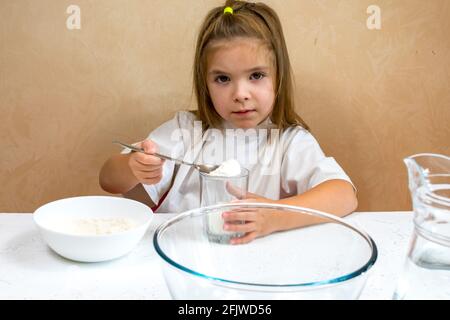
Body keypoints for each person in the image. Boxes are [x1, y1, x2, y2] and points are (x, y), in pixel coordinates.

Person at [99, 0, 357, 244]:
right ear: (205, 84)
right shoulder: (186, 131)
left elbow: (344, 195)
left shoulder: (288, 142)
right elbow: (108, 180)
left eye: (256, 75)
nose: (240, 94)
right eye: (223, 79)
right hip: (184, 259)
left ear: (278, 78)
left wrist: (274, 216)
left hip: (261, 272)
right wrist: (134, 167)